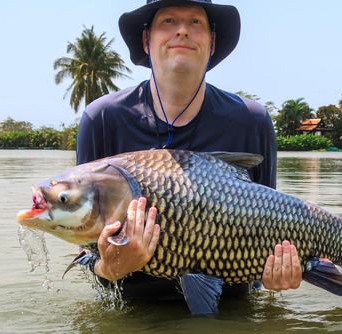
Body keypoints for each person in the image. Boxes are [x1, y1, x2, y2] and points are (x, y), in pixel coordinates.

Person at [76, 0, 302, 300]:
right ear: (146, 39)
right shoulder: (102, 119)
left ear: (212, 42)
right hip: (134, 310)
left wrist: (275, 273)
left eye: (195, 22)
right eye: (168, 21)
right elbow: (85, 252)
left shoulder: (251, 122)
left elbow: (271, 227)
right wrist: (107, 269)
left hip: (229, 312)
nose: (182, 31)